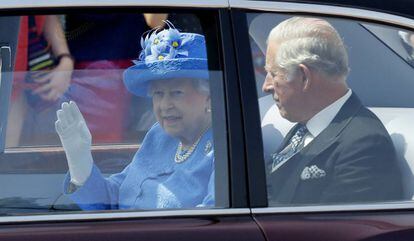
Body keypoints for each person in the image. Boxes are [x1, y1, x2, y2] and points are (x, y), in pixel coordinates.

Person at [55, 25, 215, 210]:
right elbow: (113, 199)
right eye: (158, 94)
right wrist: (80, 164)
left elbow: (211, 224)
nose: (164, 105)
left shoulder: (224, 150)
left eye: (177, 93)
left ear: (209, 97)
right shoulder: (159, 136)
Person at [262, 17, 403, 205]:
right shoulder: (306, 126)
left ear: (304, 77)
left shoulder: (363, 145)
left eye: (274, 73)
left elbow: (338, 230)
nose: (266, 86)